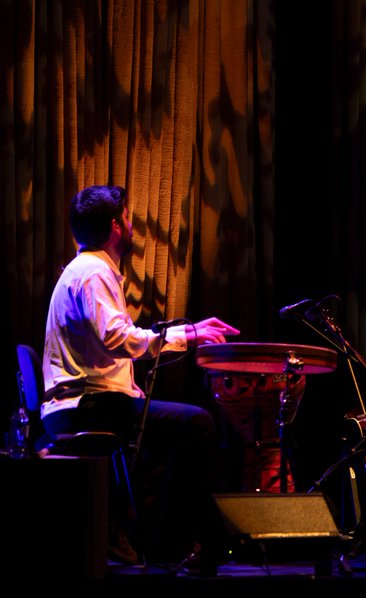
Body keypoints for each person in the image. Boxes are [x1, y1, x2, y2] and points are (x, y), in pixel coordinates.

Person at [41, 185, 239, 573]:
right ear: (117, 225)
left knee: (162, 434)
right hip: (88, 407)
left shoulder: (85, 270)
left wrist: (188, 332)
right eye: (129, 218)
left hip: (93, 403)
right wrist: (189, 334)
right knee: (197, 424)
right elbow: (119, 338)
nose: (132, 225)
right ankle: (167, 544)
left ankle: (135, 534)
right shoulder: (94, 272)